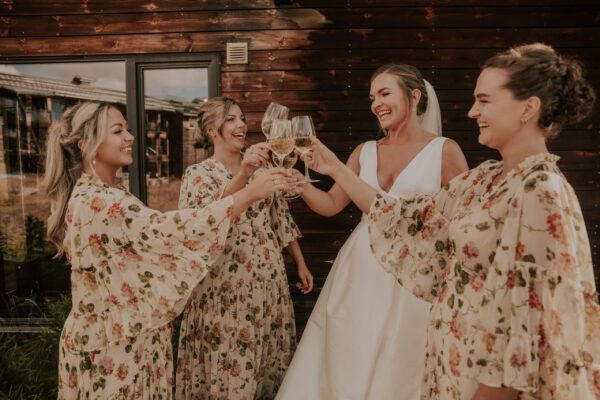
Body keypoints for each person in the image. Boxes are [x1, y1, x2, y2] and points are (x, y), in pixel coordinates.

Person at [302, 43, 600, 399]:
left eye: (484, 100)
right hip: (455, 372)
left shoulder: (539, 190)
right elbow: (404, 217)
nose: (473, 112)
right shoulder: (485, 179)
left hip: (486, 387)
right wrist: (333, 167)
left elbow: (530, 324)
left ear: (528, 108)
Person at [44, 102, 290, 399]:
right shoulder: (99, 202)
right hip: (113, 351)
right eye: (118, 131)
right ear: (87, 145)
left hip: (127, 339)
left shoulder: (108, 192)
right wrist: (249, 193)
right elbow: (174, 232)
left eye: (127, 130)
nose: (130, 137)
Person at [276, 65, 468, 400]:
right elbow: (331, 204)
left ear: (414, 96)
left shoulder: (445, 150)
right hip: (361, 268)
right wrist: (302, 186)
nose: (376, 103)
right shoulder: (364, 151)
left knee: (403, 354)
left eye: (384, 93)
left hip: (415, 273)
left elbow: (462, 218)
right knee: (349, 349)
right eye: (372, 97)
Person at [175, 97, 313, 399]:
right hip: (225, 290)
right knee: (231, 365)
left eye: (241, 118)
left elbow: (280, 219)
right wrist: (244, 174)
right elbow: (203, 220)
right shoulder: (198, 174)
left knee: (267, 366)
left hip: (268, 284)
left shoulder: (264, 169)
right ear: (211, 130)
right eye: (230, 119)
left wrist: (300, 262)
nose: (240, 125)